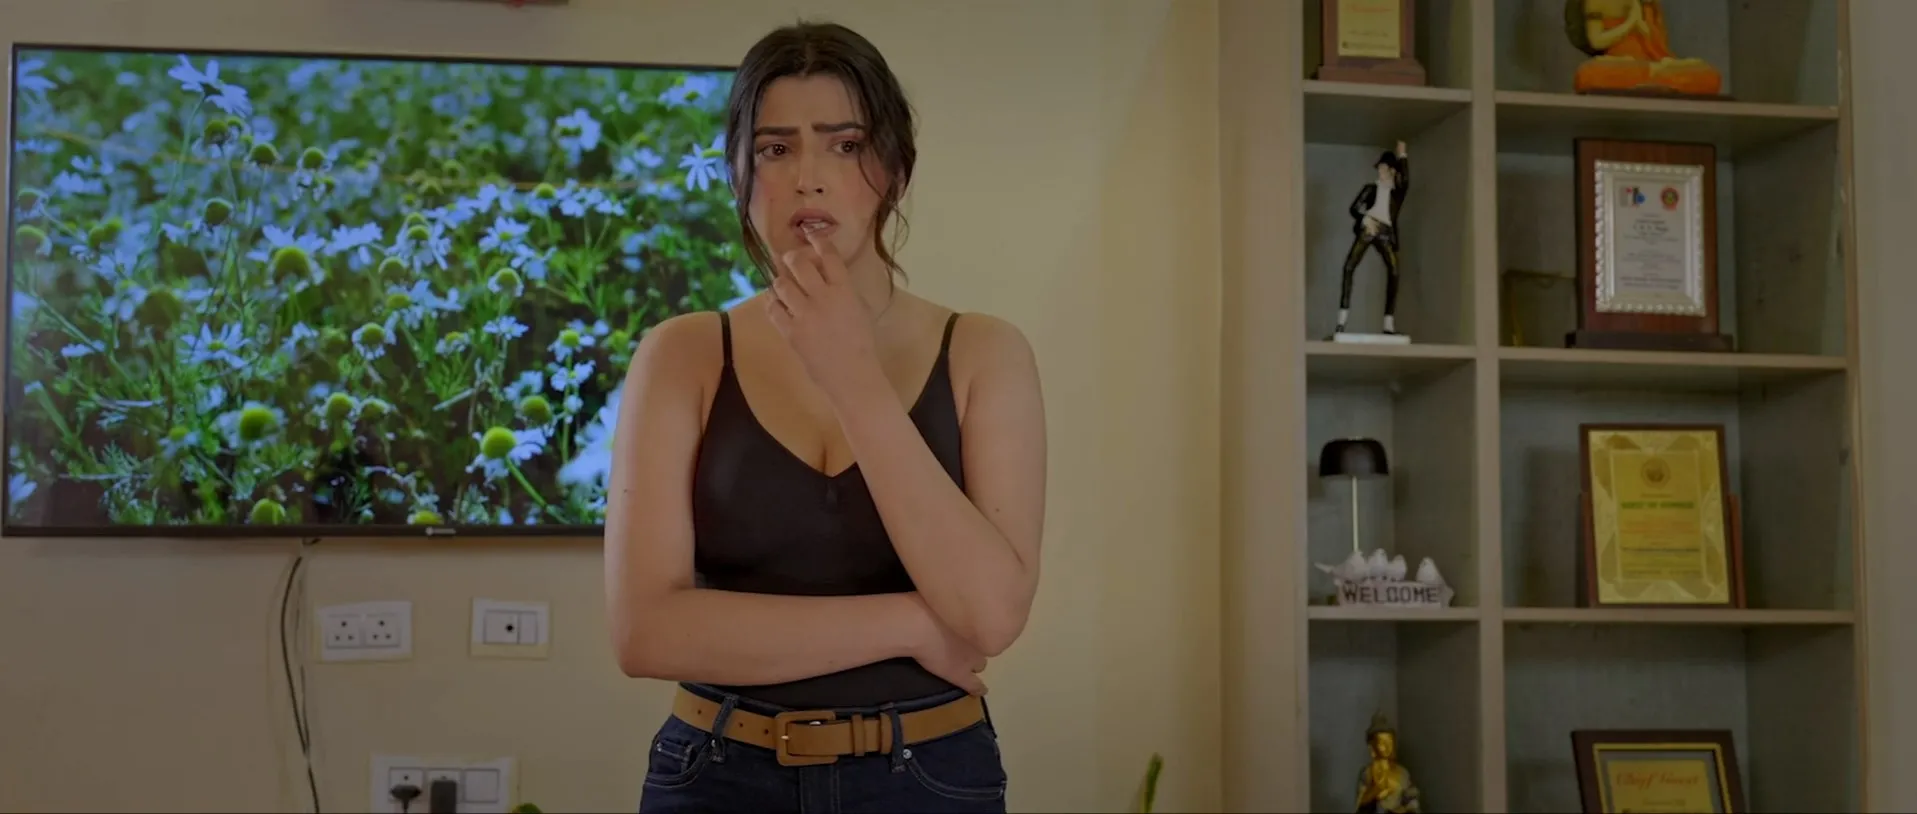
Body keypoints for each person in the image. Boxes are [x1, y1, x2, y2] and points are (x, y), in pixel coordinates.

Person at [602, 20, 1048, 814]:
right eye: (775, 149)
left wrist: (851, 377)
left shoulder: (983, 352)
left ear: (895, 170)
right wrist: (912, 624)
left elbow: (989, 614)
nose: (808, 178)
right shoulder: (682, 355)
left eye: (844, 145)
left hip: (930, 775)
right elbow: (646, 633)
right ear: (739, 174)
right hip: (715, 773)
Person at [1334, 141, 1409, 337]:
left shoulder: (1397, 193)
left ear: (1392, 171)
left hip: (1386, 232)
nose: (1380, 172)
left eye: (1384, 168)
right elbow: (1353, 208)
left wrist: (1402, 156)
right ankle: (1341, 320)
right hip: (1369, 227)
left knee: (1394, 271)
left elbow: (1406, 179)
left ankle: (1388, 323)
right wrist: (1365, 219)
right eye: (1379, 168)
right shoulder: (1370, 188)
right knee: (1349, 266)